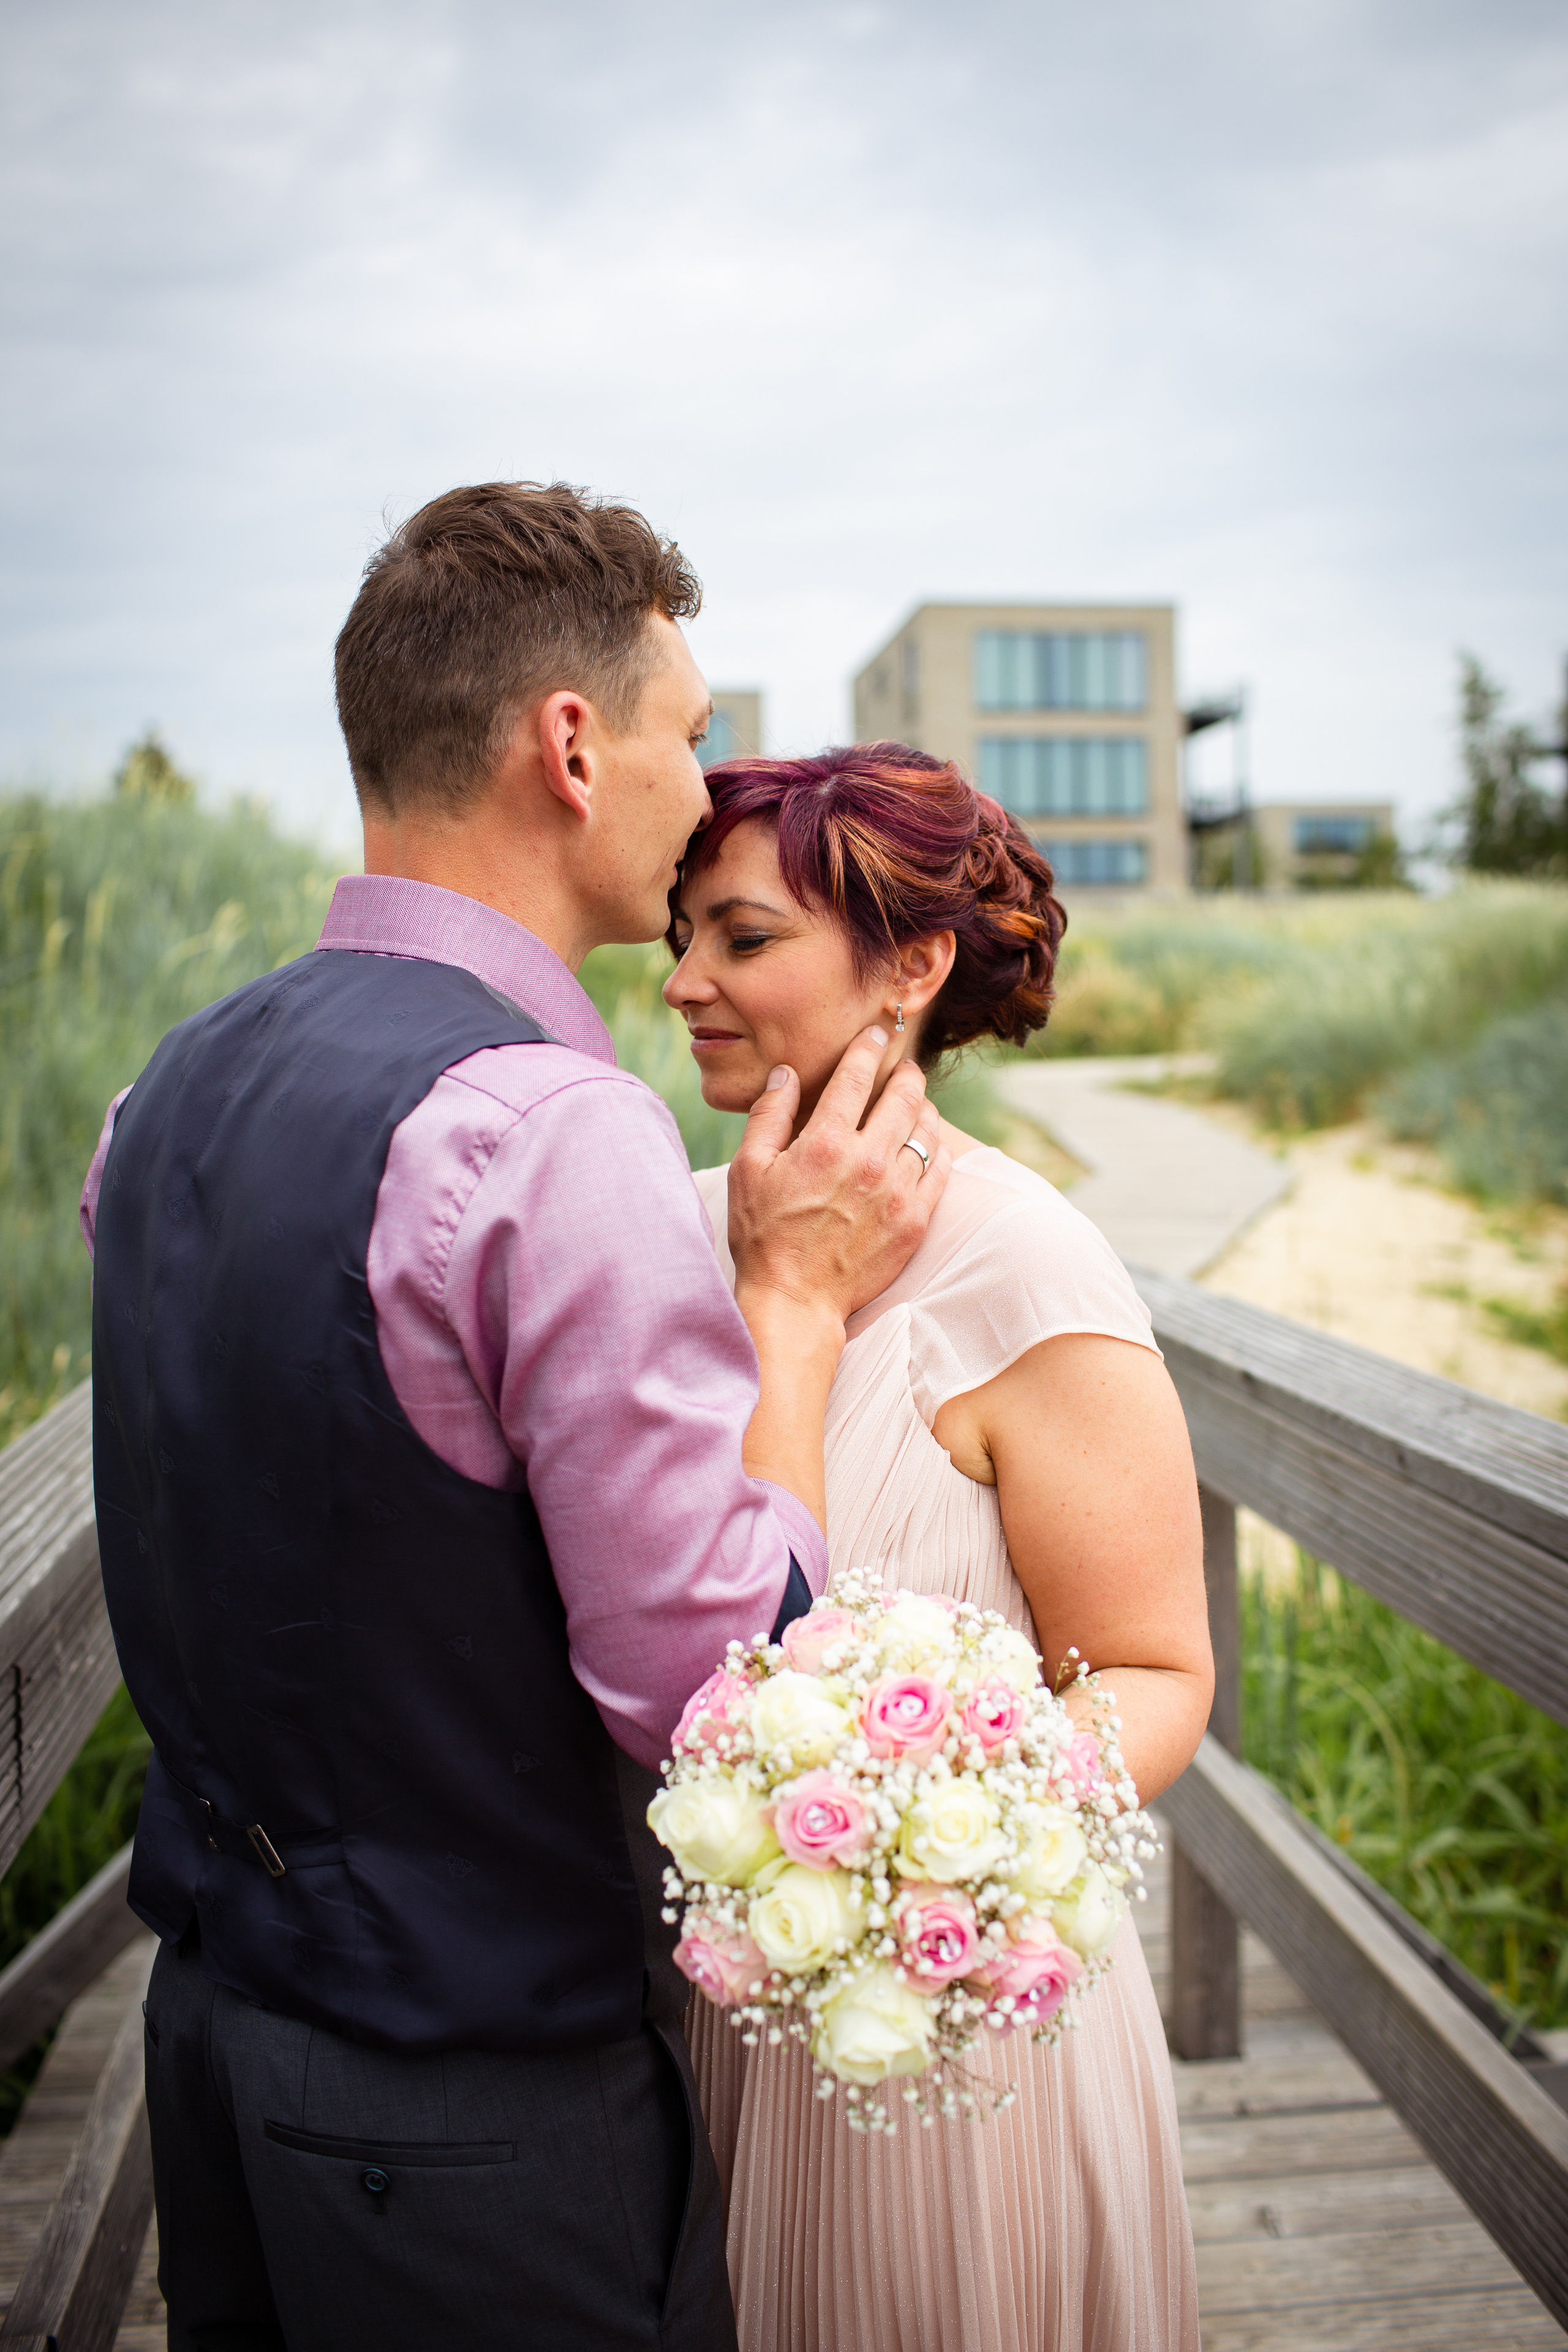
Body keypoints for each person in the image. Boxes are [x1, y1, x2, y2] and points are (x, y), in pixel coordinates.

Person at [81, 484, 952, 2352]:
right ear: (573, 745)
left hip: (214, 2037)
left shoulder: (166, 1087)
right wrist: (791, 1310)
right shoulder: (547, 1130)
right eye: (689, 732)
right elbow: (716, 1686)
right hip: (476, 2117)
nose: (701, 785)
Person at [663, 742, 1212, 2352]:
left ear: (911, 963)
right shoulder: (666, 1230)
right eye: (678, 933)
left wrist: (942, 1847)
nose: (685, 980)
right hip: (711, 2012)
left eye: (743, 938)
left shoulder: (1030, 1268)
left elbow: (1155, 1666)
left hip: (956, 2026)